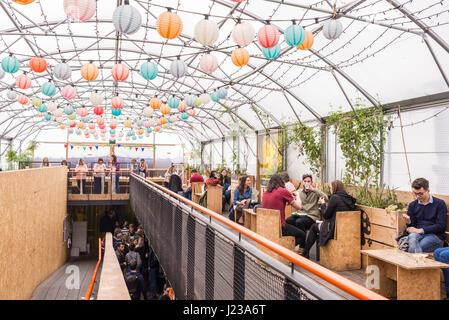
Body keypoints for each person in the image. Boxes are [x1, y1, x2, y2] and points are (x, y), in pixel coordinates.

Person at [302, 180, 356, 259]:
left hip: (334, 229)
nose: (330, 189)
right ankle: (306, 253)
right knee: (319, 224)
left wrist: (323, 204)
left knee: (314, 227)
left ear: (334, 188)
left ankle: (305, 253)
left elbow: (326, 215)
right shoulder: (348, 198)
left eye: (331, 188)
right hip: (346, 230)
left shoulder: (335, 197)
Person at [401, 178, 447, 253]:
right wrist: (408, 222)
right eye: (415, 193)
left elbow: (440, 226)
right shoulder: (413, 205)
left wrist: (421, 230)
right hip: (417, 235)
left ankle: (412, 262)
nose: (418, 196)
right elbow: (413, 226)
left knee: (415, 247)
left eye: (420, 193)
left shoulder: (439, 204)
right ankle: (415, 262)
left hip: (435, 236)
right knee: (412, 237)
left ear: (428, 190)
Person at [261, 174, 304, 252]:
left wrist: (288, 199)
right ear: (281, 182)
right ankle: (289, 252)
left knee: (290, 222)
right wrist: (297, 195)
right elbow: (299, 207)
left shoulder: (265, 193)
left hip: (267, 226)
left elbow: (277, 202)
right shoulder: (282, 191)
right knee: (302, 235)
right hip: (280, 227)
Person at [285, 174, 327, 250]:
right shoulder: (299, 192)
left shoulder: (315, 192)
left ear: (311, 182)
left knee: (299, 222)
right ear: (302, 182)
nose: (307, 183)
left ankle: (302, 246)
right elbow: (292, 198)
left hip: (312, 216)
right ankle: (293, 242)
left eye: (308, 181)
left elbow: (326, 197)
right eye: (305, 181)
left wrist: (314, 190)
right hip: (301, 214)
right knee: (288, 221)